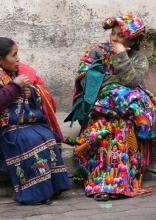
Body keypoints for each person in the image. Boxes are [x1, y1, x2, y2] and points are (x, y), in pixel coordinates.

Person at [0, 37, 70, 204]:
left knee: (47, 135)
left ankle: (53, 186)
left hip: (18, 124)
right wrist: (15, 86)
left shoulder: (11, 71)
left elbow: (29, 92)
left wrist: (30, 92)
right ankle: (34, 193)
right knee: (28, 140)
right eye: (14, 55)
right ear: (0, 60)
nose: (18, 59)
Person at [65, 15, 155, 201]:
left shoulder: (138, 59)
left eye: (120, 36)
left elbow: (131, 81)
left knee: (122, 128)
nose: (114, 39)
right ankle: (101, 184)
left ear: (132, 40)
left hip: (125, 114)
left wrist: (121, 56)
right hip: (99, 109)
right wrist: (115, 87)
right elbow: (86, 82)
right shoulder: (96, 51)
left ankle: (119, 184)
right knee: (107, 128)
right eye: (113, 34)